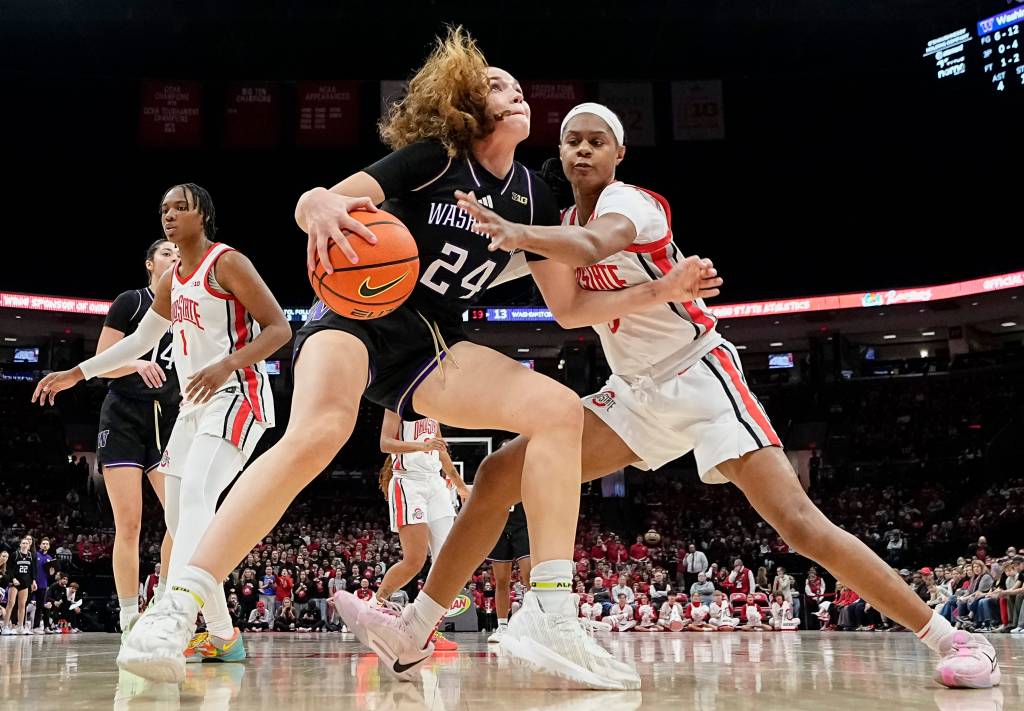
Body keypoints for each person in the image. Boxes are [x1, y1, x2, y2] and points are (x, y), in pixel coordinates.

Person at [372, 103, 1002, 688]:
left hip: (700, 377)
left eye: (597, 141)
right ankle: (415, 628)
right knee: (498, 471)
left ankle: (951, 639)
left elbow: (593, 247)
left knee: (800, 524)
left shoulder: (635, 204)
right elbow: (566, 306)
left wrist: (517, 233)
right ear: (560, 154)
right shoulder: (555, 223)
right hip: (635, 393)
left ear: (619, 154)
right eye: (572, 141)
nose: (582, 150)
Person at [113, 28, 596, 686]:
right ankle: (177, 604)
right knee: (320, 429)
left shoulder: (533, 201)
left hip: (432, 339)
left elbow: (568, 309)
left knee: (559, 408)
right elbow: (321, 200)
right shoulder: (435, 157)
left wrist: (654, 288)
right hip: (357, 313)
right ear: (464, 102)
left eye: (516, 86)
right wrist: (316, 207)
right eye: (495, 84)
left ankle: (551, 608)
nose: (512, 93)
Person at [34, 183, 290, 674]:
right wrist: (78, 373)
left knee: (196, 498)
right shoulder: (173, 278)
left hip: (237, 395)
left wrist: (226, 365)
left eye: (180, 207)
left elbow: (280, 328)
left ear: (204, 213)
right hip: (193, 409)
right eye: (164, 209)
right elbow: (144, 337)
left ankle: (173, 618)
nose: (169, 216)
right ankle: (222, 634)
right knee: (181, 524)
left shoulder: (227, 262)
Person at [94, 239, 180, 634]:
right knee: (129, 524)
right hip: (125, 415)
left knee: (181, 521)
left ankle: (162, 602)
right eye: (166, 252)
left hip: (169, 418)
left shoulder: (191, 308)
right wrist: (135, 362)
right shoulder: (131, 301)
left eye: (180, 254)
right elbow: (101, 364)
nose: (175, 257)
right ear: (149, 263)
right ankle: (129, 616)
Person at [486, 500, 531, 644]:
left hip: (523, 523)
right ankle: (502, 627)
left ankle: (532, 624)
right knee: (501, 580)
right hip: (498, 523)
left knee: (530, 577)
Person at [2, 537, 35, 635]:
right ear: (20, 545)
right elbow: (9, 569)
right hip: (15, 582)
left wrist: (33, 581)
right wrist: (13, 579)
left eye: (27, 543)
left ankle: (20, 627)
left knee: (22, 605)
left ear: (29, 545)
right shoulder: (15, 555)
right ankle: (5, 626)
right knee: (11, 603)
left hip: (25, 583)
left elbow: (33, 570)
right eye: (23, 543)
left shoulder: (31, 556)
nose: (25, 544)